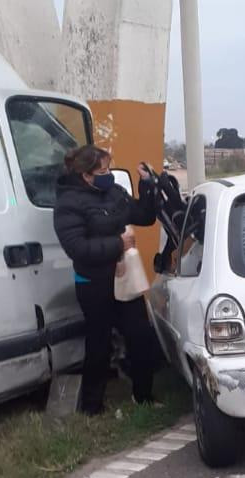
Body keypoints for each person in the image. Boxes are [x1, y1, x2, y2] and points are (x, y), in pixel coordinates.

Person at [53, 144, 159, 415]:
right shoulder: (67, 203)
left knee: (141, 336)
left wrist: (146, 185)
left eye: (110, 168)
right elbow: (77, 249)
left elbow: (144, 216)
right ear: (87, 175)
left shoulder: (114, 192)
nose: (108, 174)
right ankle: (92, 406)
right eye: (103, 170)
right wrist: (117, 244)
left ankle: (144, 396)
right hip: (94, 283)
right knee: (98, 344)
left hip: (126, 281)